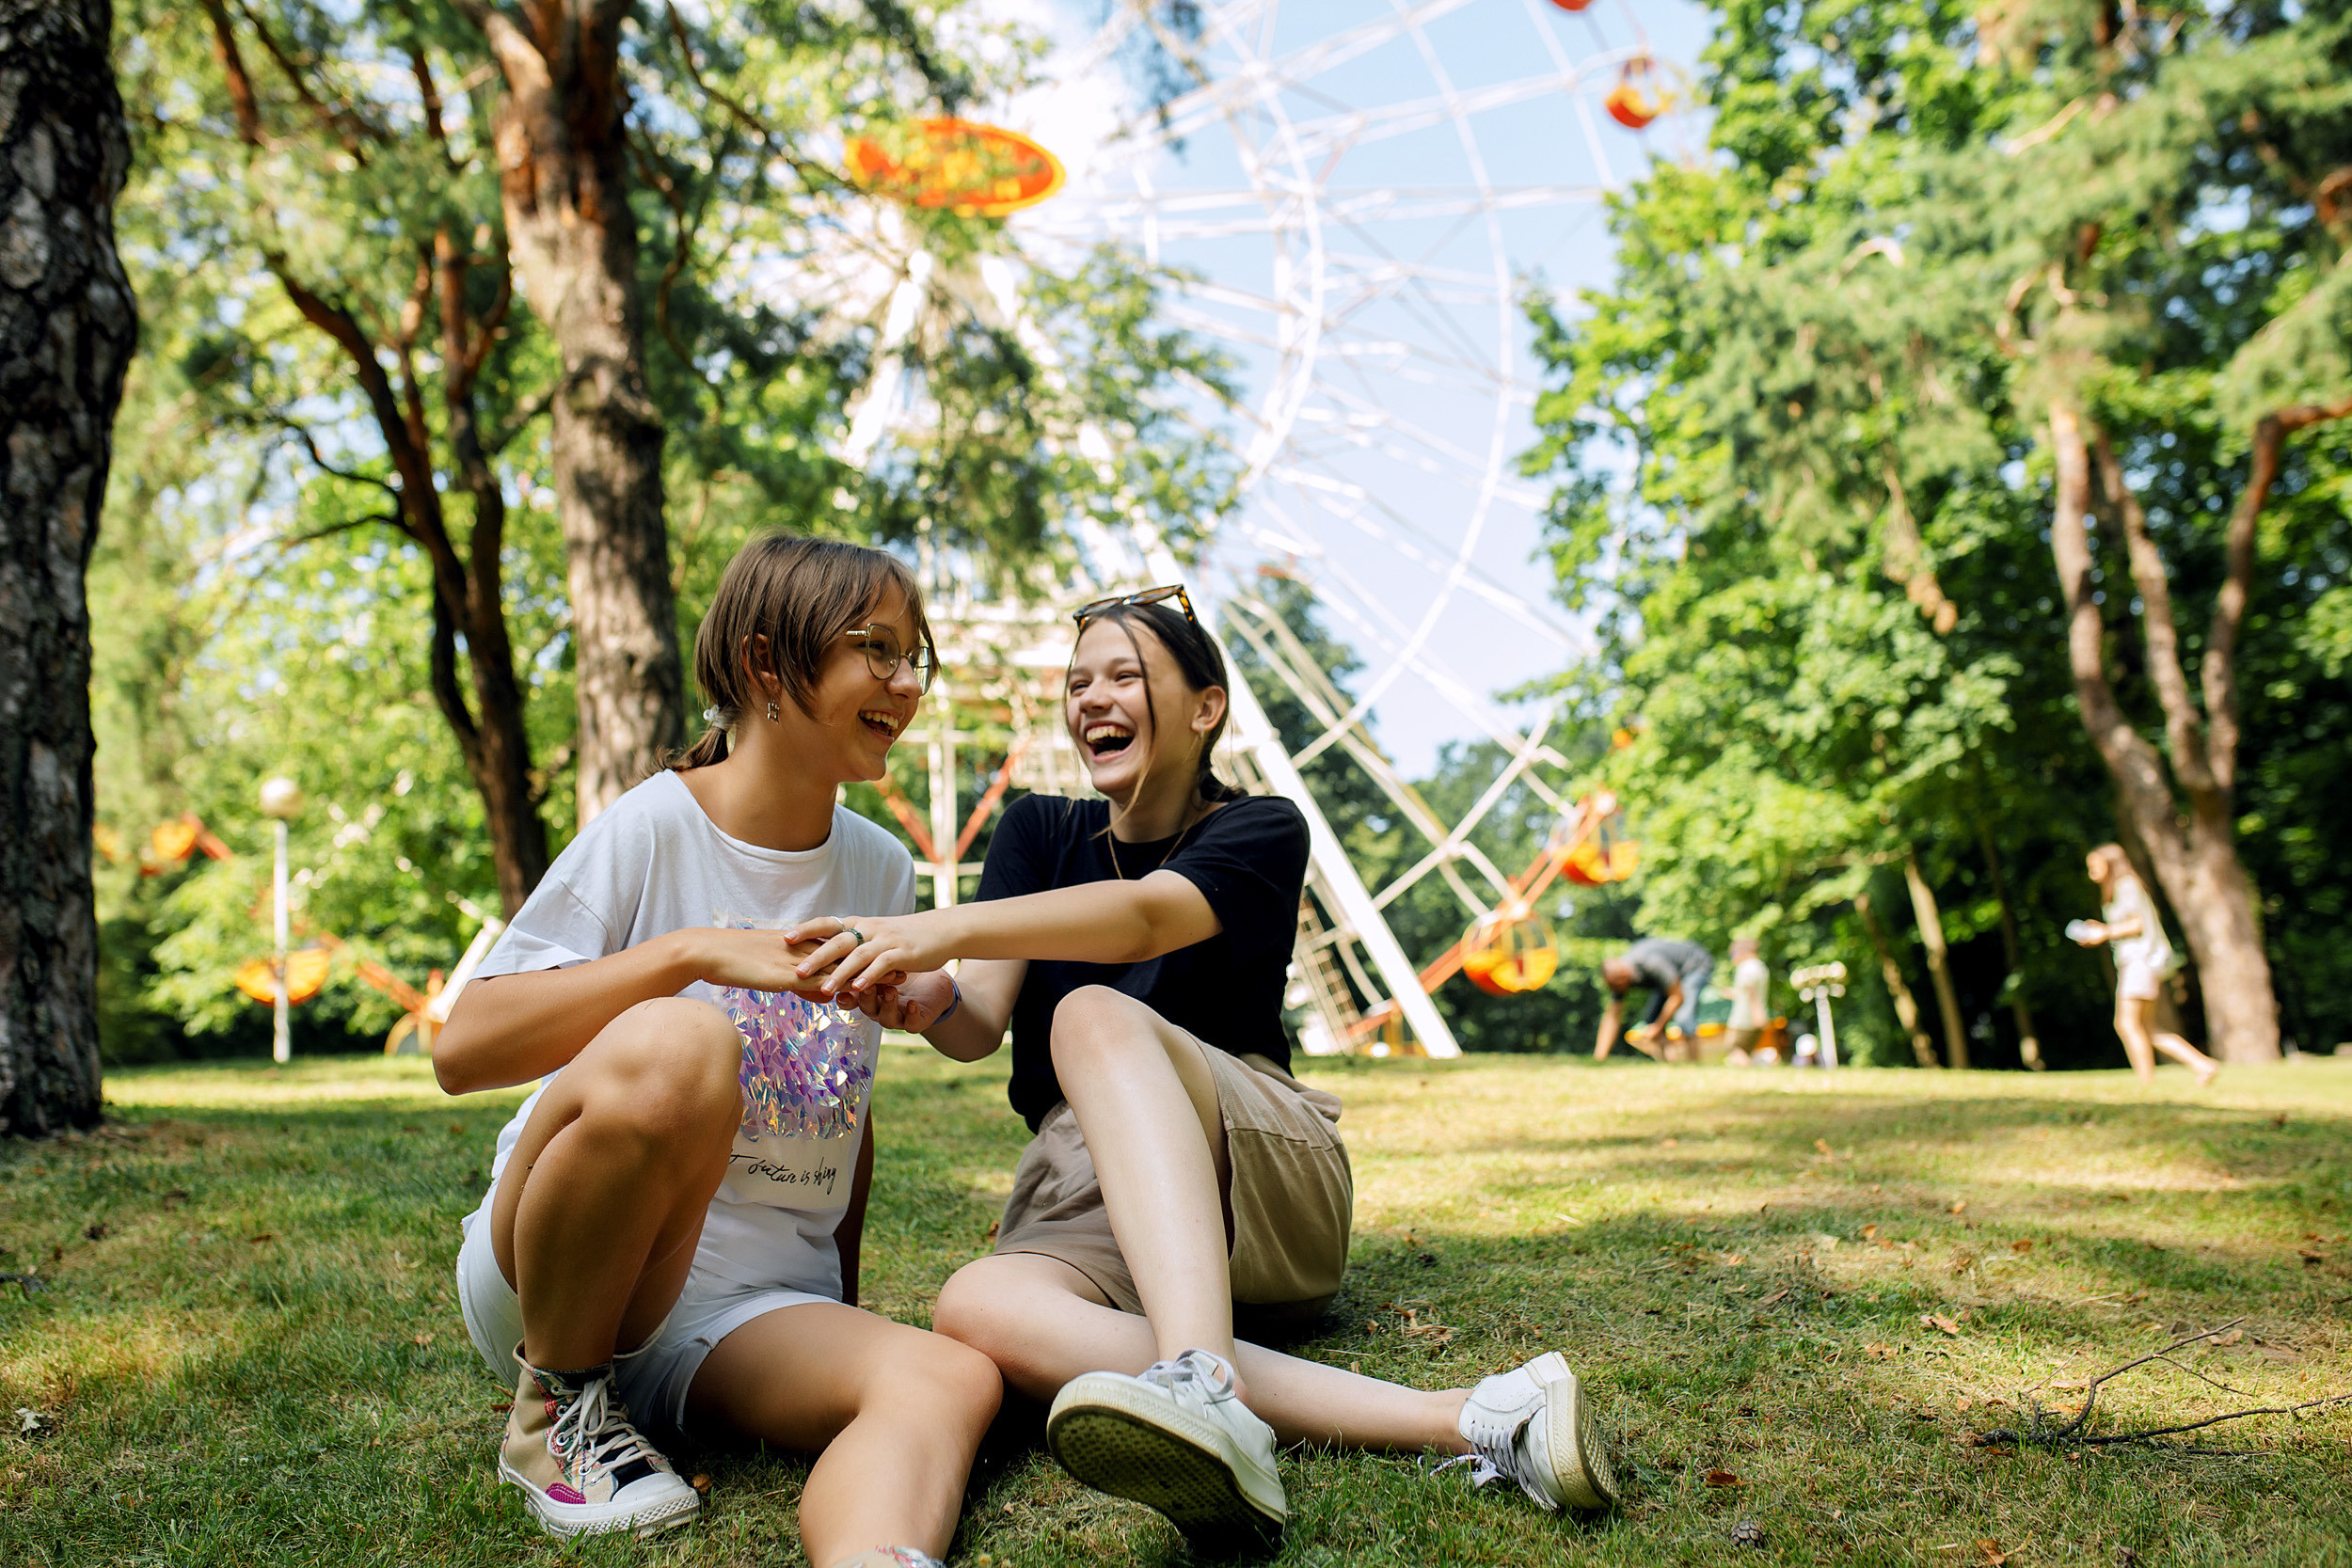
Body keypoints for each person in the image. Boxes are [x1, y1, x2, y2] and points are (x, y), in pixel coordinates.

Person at [785, 585, 1617, 1550]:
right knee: (976, 1303)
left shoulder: (1262, 827)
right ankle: (1473, 1416)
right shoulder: (1035, 833)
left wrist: (941, 920)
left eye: (1124, 675)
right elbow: (975, 1024)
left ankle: (1204, 1382)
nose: (1091, 697)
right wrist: (921, 995)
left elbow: (1145, 914)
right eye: (1076, 681)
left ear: (1205, 706)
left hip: (1255, 1172)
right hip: (1083, 1188)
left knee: (1098, 1015)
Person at [432, 533, 1001, 1568]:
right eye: (875, 648)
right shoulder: (652, 827)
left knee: (950, 1377)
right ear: (766, 665)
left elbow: (842, 1103)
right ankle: (554, 1410)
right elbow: (463, 1048)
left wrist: (839, 1301)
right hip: (562, 1270)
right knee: (684, 1040)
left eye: (914, 654)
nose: (906, 682)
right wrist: (692, 952)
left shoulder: (876, 864)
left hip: (746, 1307)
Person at [2073, 845, 2218, 1088]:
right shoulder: (2121, 888)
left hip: (2139, 961)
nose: (2091, 872)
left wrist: (2104, 933)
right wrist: (2101, 930)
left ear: (2110, 864)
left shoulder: (2125, 885)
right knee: (2148, 1027)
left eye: (2094, 866)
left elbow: (2136, 925)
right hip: (2141, 961)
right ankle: (2202, 1065)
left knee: (2126, 1024)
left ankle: (2146, 1083)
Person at [1595, 937, 1713, 1061]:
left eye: (1617, 987)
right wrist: (1599, 1058)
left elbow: (1677, 996)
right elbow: (1613, 1016)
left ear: (1623, 976)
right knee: (1651, 1020)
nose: (1617, 991)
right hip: (1670, 980)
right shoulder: (1617, 979)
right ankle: (1671, 1064)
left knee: (1684, 1017)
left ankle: (1693, 1064)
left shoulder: (1651, 963)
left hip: (1695, 965)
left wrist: (1658, 1026)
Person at [1723, 938, 1770, 1067]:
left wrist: (1757, 1015)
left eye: (1732, 953)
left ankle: (1749, 1069)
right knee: (1744, 1050)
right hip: (1754, 1016)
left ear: (1742, 951)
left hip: (1744, 1019)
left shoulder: (1746, 967)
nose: (1732, 958)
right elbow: (1747, 992)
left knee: (1733, 1048)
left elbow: (1752, 993)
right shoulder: (1760, 966)